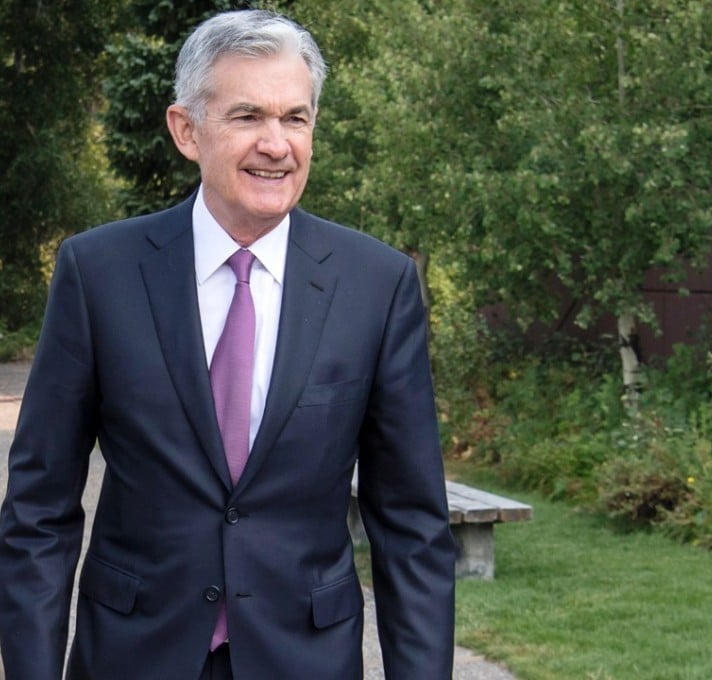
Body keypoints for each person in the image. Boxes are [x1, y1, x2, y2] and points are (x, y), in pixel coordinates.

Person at [0, 9, 455, 679]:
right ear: (187, 130)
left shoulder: (378, 284)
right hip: (132, 656)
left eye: (295, 118)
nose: (277, 144)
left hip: (304, 660)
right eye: (248, 117)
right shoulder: (98, 273)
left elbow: (412, 528)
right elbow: (39, 511)